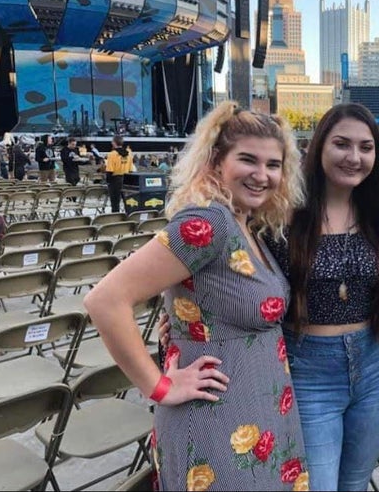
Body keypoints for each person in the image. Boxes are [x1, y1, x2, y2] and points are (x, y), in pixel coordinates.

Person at [83, 101, 309, 491]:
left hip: (261, 413)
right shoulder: (209, 221)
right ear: (216, 161)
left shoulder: (245, 223)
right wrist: (158, 386)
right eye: (248, 160)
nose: (262, 174)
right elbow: (105, 300)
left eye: (273, 165)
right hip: (216, 422)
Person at [268, 103, 379, 491]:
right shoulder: (283, 213)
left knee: (356, 481)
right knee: (318, 484)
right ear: (319, 146)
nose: (354, 157)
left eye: (366, 147)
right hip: (308, 367)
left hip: (376, 362)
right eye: (342, 144)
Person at [104, 135, 134, 213]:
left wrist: (108, 182)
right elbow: (131, 169)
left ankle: (116, 219)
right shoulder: (129, 154)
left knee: (115, 203)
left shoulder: (112, 154)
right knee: (127, 202)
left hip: (115, 180)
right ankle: (129, 216)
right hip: (126, 179)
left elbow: (110, 170)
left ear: (114, 143)